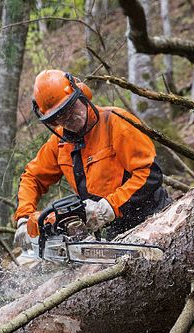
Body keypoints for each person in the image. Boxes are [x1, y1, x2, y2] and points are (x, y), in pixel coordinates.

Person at [13, 70, 170, 248]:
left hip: (154, 215)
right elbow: (32, 177)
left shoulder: (115, 122)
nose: (68, 118)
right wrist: (24, 218)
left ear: (81, 94)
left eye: (70, 108)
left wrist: (109, 207)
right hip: (115, 230)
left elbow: (150, 174)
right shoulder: (59, 142)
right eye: (59, 116)